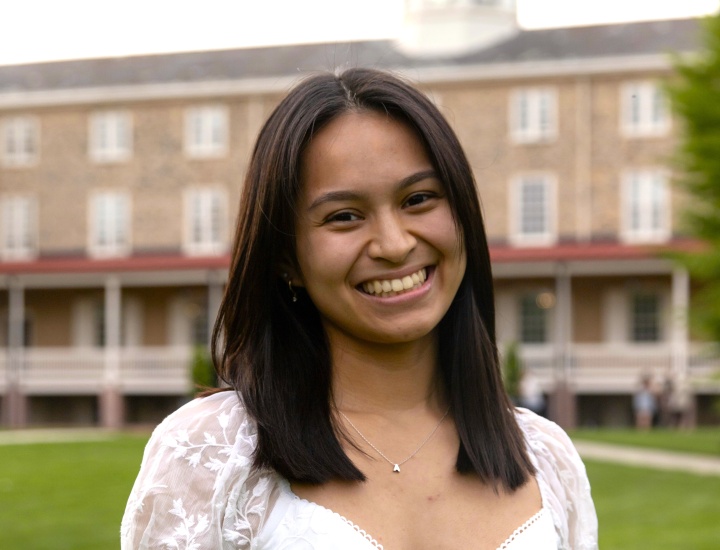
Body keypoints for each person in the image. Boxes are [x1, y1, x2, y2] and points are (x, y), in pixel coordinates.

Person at [121, 68, 597, 549]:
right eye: (344, 216)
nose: (393, 245)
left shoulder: (548, 458)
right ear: (288, 259)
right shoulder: (214, 452)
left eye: (419, 199)